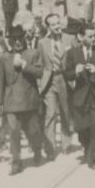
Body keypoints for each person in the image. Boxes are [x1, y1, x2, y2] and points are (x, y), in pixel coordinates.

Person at [0, 25, 44, 175]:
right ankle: (16, 163)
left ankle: (37, 151)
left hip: (29, 100)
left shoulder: (33, 54)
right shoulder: (4, 58)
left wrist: (24, 65)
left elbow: (40, 72)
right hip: (11, 102)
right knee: (14, 132)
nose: (17, 42)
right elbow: (1, 81)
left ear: (25, 38)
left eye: (20, 38)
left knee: (33, 131)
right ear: (9, 41)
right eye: (14, 39)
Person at [65, 23, 95, 169]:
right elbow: (66, 74)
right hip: (81, 96)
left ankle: (93, 156)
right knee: (81, 128)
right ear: (81, 37)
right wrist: (76, 71)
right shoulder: (73, 53)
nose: (94, 38)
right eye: (90, 36)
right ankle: (87, 147)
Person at [38, 13, 73, 158]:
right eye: (53, 25)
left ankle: (66, 143)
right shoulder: (42, 43)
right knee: (50, 114)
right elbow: (40, 65)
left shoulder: (69, 39)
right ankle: (50, 148)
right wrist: (40, 86)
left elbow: (74, 60)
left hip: (64, 79)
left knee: (65, 112)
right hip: (50, 80)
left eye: (58, 23)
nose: (57, 26)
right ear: (48, 27)